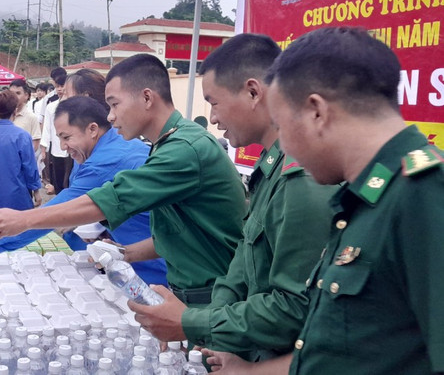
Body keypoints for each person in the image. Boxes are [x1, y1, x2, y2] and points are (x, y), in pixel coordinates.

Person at [211, 26, 444, 375]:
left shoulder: (425, 194)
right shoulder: (364, 198)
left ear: (316, 111)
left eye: (283, 124)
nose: (284, 146)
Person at [127, 34, 337, 361]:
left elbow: (294, 306)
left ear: (253, 92)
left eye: (214, 102)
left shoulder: (303, 178)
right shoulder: (270, 168)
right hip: (248, 347)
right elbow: (241, 264)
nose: (212, 117)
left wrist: (194, 322)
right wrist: (205, 325)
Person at [0, 54, 245, 307]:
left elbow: (109, 200)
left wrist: (22, 220)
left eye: (115, 104)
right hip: (194, 287)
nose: (109, 115)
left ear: (146, 98)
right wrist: (125, 253)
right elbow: (178, 232)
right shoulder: (166, 144)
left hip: (207, 293)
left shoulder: (183, 149)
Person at [0, 95, 168, 286]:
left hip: (156, 271)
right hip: (146, 254)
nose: (62, 147)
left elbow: (53, 213)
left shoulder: (104, 163)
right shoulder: (121, 144)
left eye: (66, 137)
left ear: (92, 129)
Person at [0, 90, 42, 211]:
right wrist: (36, 190)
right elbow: (30, 167)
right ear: (15, 111)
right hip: (17, 196)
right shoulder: (22, 136)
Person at [41, 67, 72, 194]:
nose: (60, 89)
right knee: (58, 181)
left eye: (62, 86)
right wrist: (44, 149)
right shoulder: (50, 106)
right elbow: (47, 129)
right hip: (56, 150)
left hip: (72, 151)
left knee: (70, 180)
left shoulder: (75, 105)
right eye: (57, 86)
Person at [9, 79, 42, 151]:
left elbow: (35, 144)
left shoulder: (31, 117)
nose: (14, 97)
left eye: (18, 93)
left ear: (26, 95)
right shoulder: (4, 116)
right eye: (11, 93)